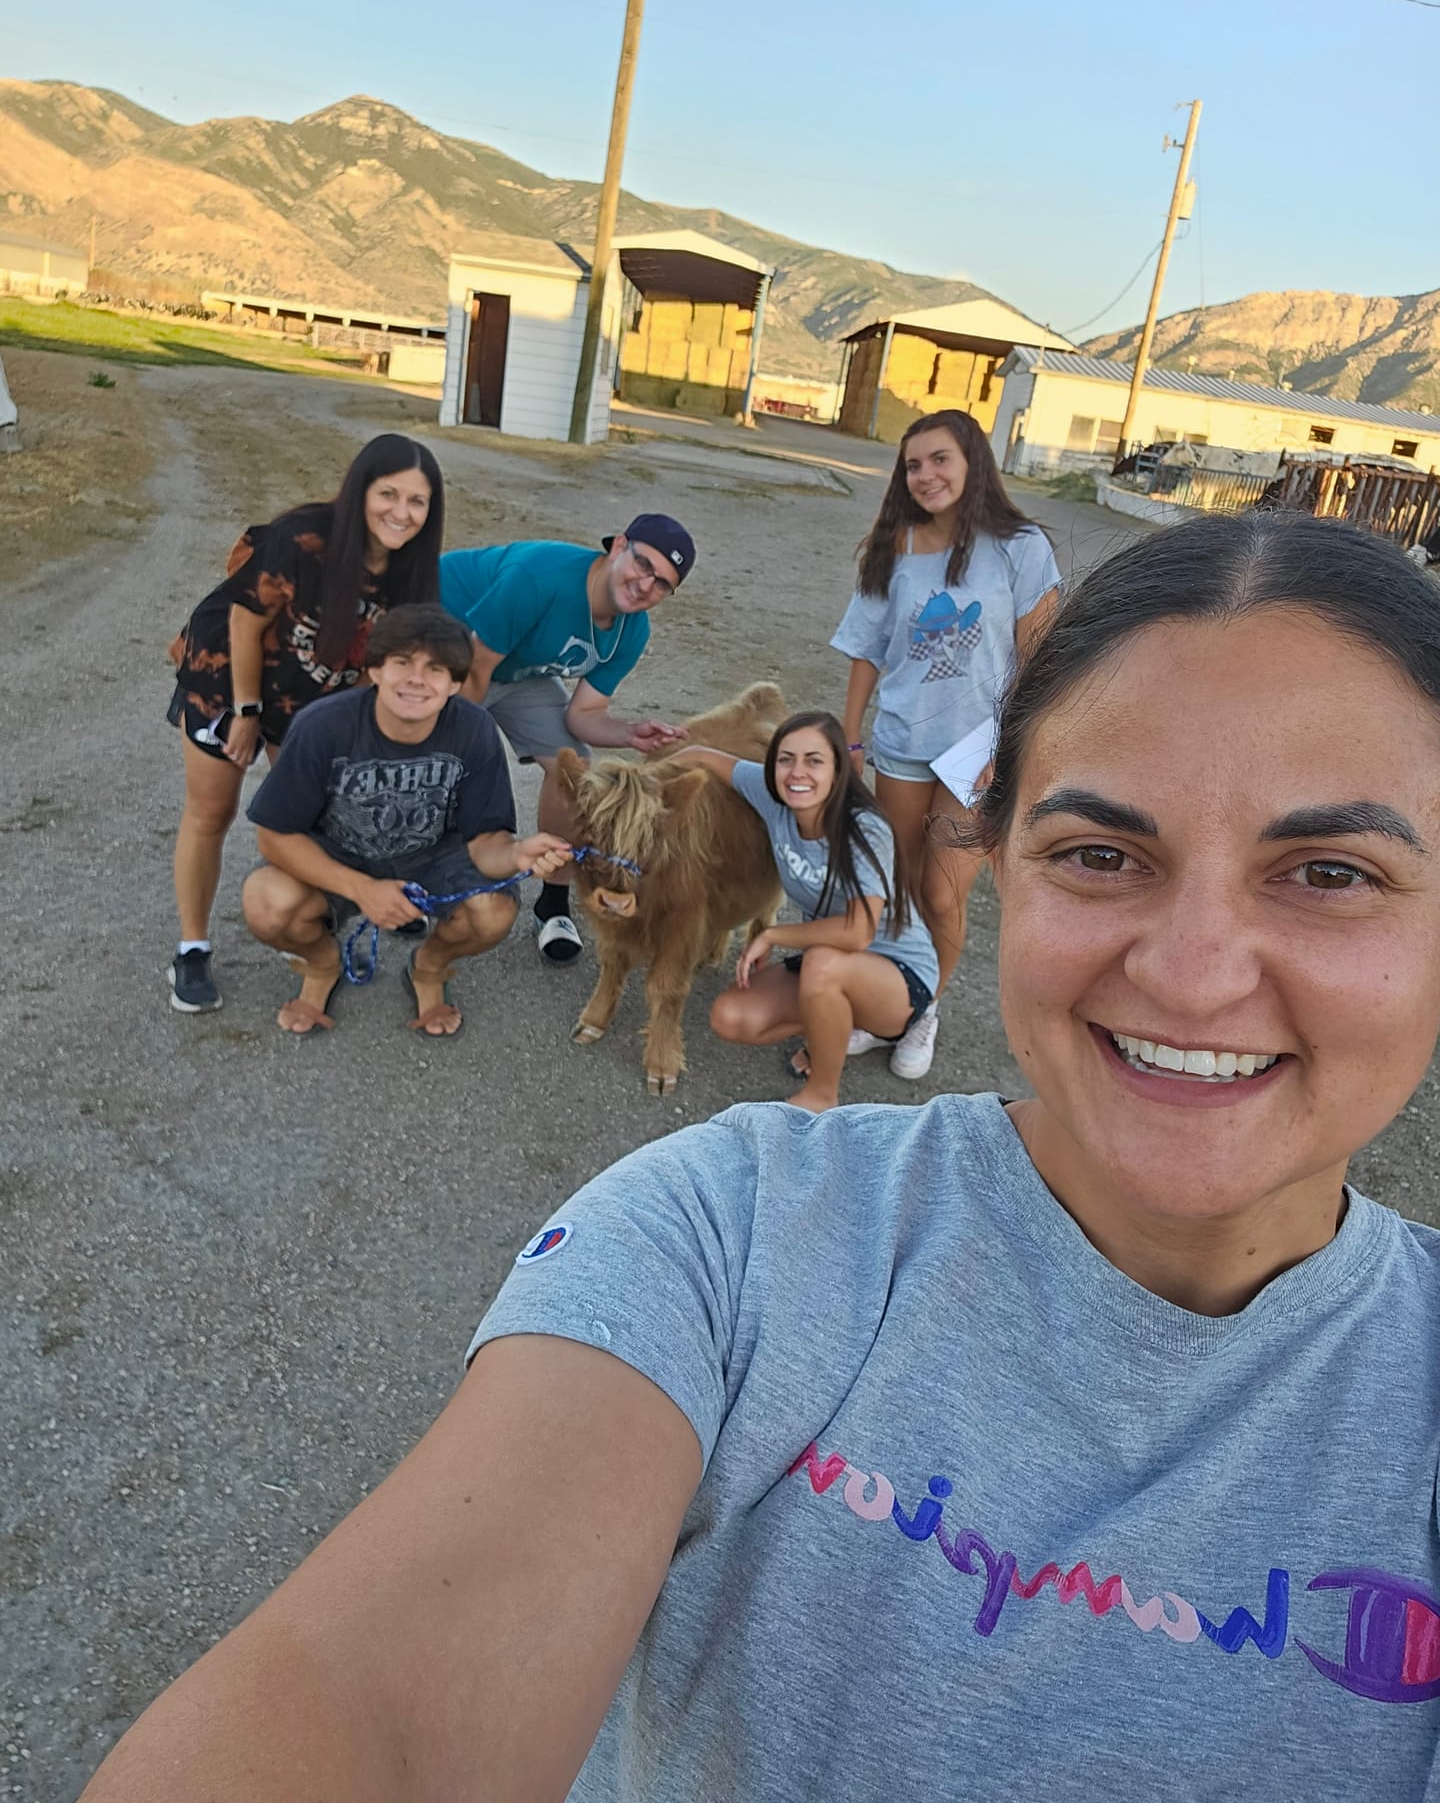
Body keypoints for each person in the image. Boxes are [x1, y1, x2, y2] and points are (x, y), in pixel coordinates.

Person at [82, 512, 1440, 1799]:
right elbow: (372, 1702)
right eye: (1101, 854)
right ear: (1002, 858)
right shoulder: (724, 1229)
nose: (1194, 975)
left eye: (1330, 874)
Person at [166, 433, 444, 1015]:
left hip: (310, 693)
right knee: (212, 811)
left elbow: (383, 661)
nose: (401, 512)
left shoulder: (414, 570)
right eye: (388, 494)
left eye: (417, 501)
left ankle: (324, 914)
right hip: (229, 675)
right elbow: (244, 623)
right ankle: (192, 949)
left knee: (320, 811)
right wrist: (246, 713)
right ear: (361, 490)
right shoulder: (304, 539)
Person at [833, 407, 1059, 1079]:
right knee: (898, 886)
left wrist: (1009, 748)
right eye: (913, 465)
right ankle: (889, 1005)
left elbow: (1039, 660)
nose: (925, 475)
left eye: (940, 459)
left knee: (941, 894)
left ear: (972, 463)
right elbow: (867, 649)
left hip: (977, 754)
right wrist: (850, 737)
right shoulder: (895, 547)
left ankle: (925, 1008)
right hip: (903, 741)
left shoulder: (1020, 546)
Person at [242, 604, 571, 1037]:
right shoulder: (323, 725)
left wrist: (517, 853)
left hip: (434, 855)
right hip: (340, 852)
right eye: (402, 662)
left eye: (435, 669)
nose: (416, 679)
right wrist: (363, 889)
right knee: (265, 903)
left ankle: (429, 967)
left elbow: (484, 840)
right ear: (375, 670)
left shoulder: (473, 729)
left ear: (455, 683)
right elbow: (274, 836)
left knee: (493, 912)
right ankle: (322, 963)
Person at [438, 515, 694, 964]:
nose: (645, 586)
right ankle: (408, 878)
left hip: (515, 671)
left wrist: (629, 732)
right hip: (452, 647)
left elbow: (584, 715)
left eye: (662, 585)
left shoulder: (633, 630)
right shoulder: (540, 577)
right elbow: (476, 670)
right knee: (436, 764)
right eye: (643, 565)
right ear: (618, 547)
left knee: (572, 769)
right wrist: (459, 752)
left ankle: (553, 905)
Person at [670, 711, 938, 1113]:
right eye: (786, 759)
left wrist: (773, 934)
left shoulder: (864, 828)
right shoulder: (773, 797)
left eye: (814, 760)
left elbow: (858, 933)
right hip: (828, 963)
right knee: (730, 1016)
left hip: (899, 975)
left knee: (822, 964)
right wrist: (646, 783)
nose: (798, 772)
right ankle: (833, 1022)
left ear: (838, 770)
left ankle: (821, 1094)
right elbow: (700, 756)